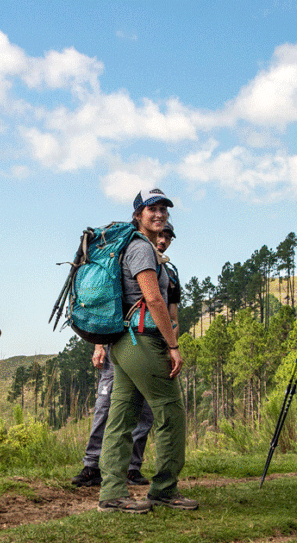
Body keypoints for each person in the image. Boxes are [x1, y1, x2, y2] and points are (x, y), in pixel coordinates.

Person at [98, 190, 192, 513]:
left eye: (164, 208)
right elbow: (153, 299)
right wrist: (173, 345)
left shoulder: (135, 246)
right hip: (142, 339)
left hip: (124, 342)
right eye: (152, 208)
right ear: (138, 214)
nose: (160, 214)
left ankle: (111, 492)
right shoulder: (140, 248)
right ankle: (164, 488)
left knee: (122, 416)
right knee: (171, 411)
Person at [70, 223, 179, 488]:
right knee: (109, 407)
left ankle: (128, 470)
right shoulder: (133, 253)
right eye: (161, 234)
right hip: (124, 340)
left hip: (148, 341)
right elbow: (112, 302)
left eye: (168, 236)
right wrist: (98, 345)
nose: (163, 240)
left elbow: (172, 313)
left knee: (138, 412)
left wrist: (172, 342)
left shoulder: (169, 273)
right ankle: (92, 466)